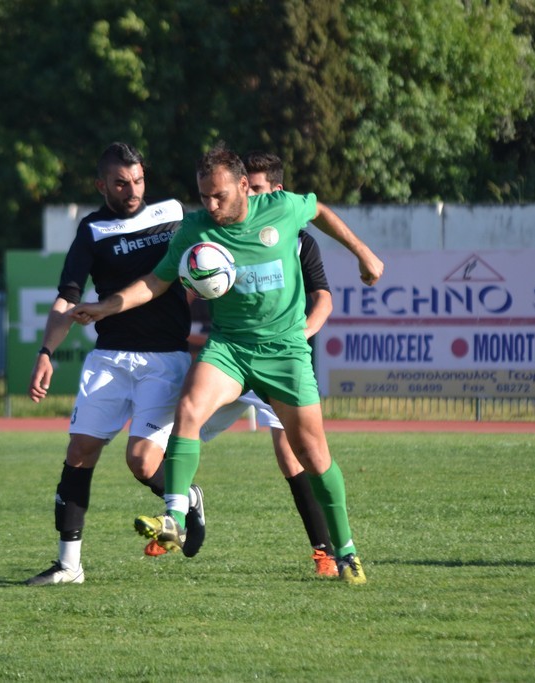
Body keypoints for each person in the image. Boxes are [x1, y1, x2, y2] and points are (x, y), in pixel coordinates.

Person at [71, 143, 384, 585]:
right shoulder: (196, 228)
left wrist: (363, 253)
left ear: (243, 186)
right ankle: (175, 517)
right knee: (189, 407)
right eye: (205, 197)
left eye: (219, 195)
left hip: (284, 351)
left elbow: (320, 211)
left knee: (313, 456)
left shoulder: (282, 208)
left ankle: (345, 551)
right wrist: (106, 307)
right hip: (230, 347)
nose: (212, 206)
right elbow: (157, 281)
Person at [24, 142, 205, 586]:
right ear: (101, 185)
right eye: (121, 183)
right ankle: (69, 566)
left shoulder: (172, 214)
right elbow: (67, 298)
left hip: (165, 359)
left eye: (138, 180)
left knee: (141, 462)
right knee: (79, 452)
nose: (132, 190)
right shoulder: (92, 230)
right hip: (110, 358)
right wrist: (46, 352)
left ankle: (187, 497)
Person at [160, 151, 340, 577]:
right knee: (167, 438)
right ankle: (179, 511)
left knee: (293, 455)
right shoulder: (211, 236)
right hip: (231, 357)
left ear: (274, 192)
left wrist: (300, 335)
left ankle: (326, 553)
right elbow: (181, 282)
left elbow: (323, 298)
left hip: (280, 358)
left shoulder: (298, 238)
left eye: (260, 190)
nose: (254, 199)